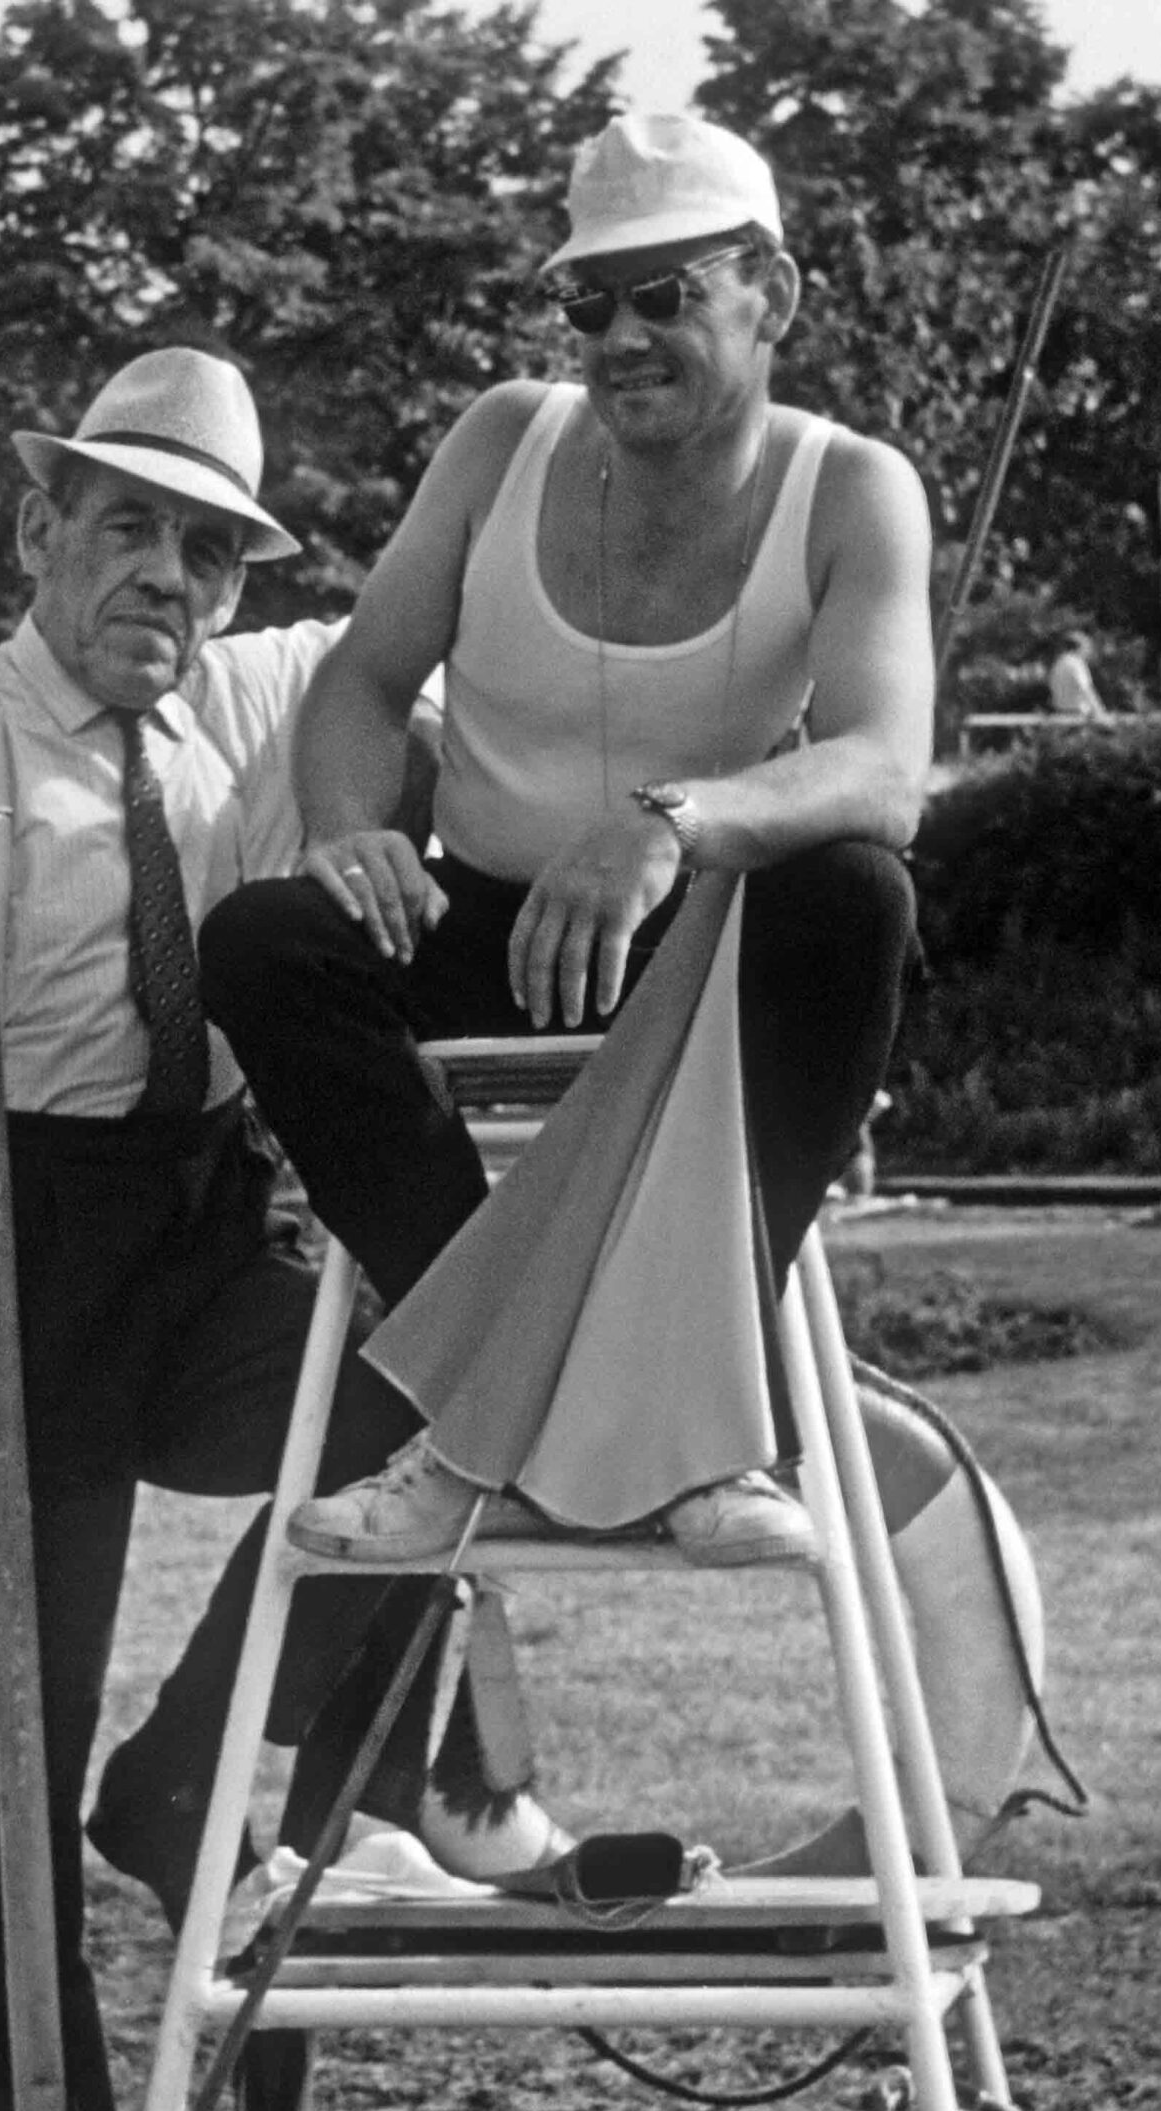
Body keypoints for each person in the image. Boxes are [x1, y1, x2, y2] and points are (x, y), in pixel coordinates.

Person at [0, 346, 533, 2111]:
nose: (169, 582)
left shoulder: (259, 702)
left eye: (211, 552)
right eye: (128, 533)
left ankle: (198, 1785)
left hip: (185, 1231)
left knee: (454, 1385)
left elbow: (492, 640)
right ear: (42, 533)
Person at [195, 110, 928, 1571]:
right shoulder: (502, 439)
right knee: (266, 939)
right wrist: (350, 832)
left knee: (856, 893)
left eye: (667, 294)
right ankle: (513, 1413)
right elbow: (359, 682)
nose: (620, 335)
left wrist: (674, 821)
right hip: (476, 920)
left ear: (772, 296)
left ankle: (675, 1423)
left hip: (690, 964)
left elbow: (884, 768)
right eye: (588, 299)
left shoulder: (852, 487)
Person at [1046, 628, 1108, 721]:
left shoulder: (1058, 663)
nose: (1089, 651)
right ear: (1079, 647)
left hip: (1060, 713)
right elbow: (1086, 689)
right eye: (1087, 646)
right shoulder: (1076, 663)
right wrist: (1101, 713)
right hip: (1079, 715)